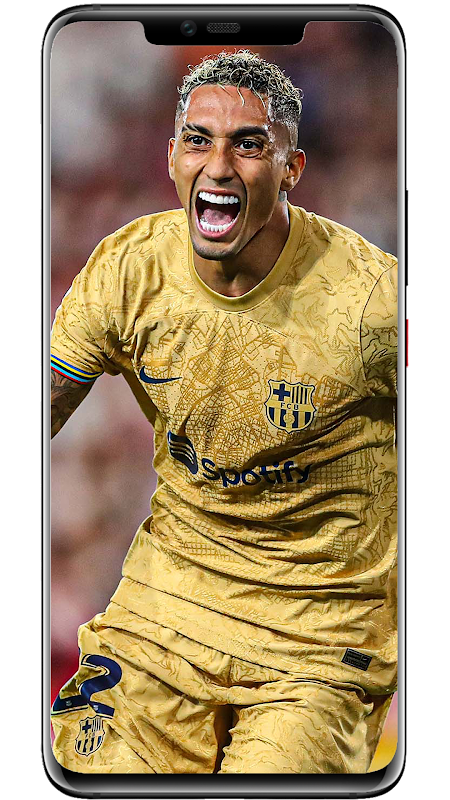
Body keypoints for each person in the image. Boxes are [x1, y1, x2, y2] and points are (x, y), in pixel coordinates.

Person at [50, 50, 397, 774]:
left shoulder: (371, 302)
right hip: (165, 615)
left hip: (315, 644)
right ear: (171, 158)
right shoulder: (129, 273)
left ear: (292, 169)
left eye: (249, 145)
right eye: (199, 141)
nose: (219, 166)